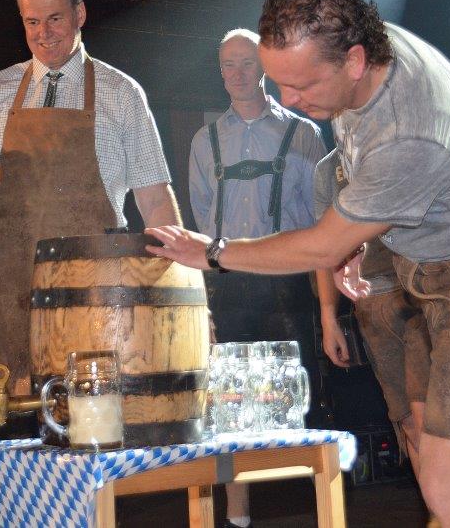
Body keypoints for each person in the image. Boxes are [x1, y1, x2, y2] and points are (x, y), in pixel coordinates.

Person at [147, 0, 450, 528]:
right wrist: (357, 236)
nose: (288, 100)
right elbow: (343, 183)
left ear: (356, 61)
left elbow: (322, 244)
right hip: (429, 265)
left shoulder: (410, 130)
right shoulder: (356, 44)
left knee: (447, 475)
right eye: (280, 82)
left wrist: (214, 252)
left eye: (302, 86)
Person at [0, 0, 182, 396]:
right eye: (32, 22)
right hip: (7, 296)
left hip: (97, 299)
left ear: (80, 14)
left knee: (92, 415)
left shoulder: (122, 93)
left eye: (54, 19)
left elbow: (154, 199)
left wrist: (175, 292)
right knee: (8, 415)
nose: (44, 33)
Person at [189, 28, 326, 528]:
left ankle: (314, 512)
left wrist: (327, 304)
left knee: (296, 398)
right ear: (220, 71)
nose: (237, 73)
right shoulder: (204, 141)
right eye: (228, 64)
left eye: (246, 62)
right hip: (229, 287)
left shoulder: (304, 134)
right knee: (229, 404)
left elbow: (322, 222)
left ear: (264, 66)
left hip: (289, 284)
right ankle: (239, 517)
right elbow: (202, 222)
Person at [314, 149, 432, 488]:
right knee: (406, 420)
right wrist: (328, 317)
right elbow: (324, 247)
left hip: (423, 292)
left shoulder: (397, 141)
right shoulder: (328, 168)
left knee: (433, 420)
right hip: (371, 302)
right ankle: (440, 510)